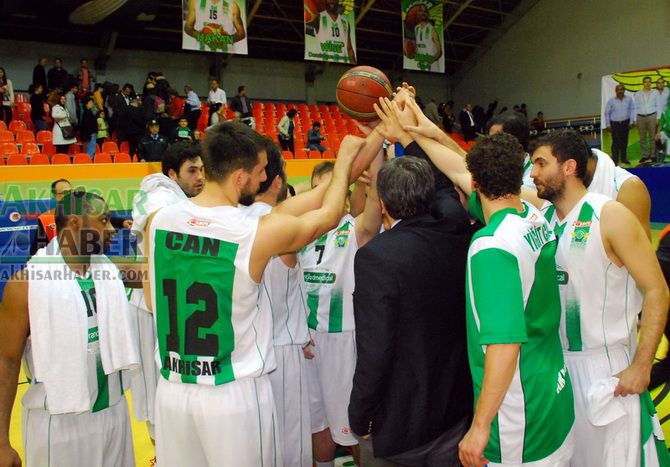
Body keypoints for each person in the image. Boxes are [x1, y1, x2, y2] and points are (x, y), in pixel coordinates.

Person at [144, 123, 363, 467]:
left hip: (173, 390)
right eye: (261, 170)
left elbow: (152, 301)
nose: (265, 178)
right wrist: (346, 157)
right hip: (231, 394)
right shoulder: (251, 232)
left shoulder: (158, 221)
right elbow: (330, 215)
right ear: (241, 177)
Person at [531, 129, 670, 466]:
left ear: (568, 167)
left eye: (540, 163)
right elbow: (476, 177)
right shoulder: (542, 219)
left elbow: (657, 290)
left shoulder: (610, 214)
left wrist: (641, 366)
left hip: (606, 368)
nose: (532, 172)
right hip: (559, 370)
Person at [458, 133, 575, 467]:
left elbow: (505, 345)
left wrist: (480, 427)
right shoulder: (533, 216)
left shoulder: (492, 245)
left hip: (518, 420)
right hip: (554, 398)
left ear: (475, 181)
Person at [0, 190, 140, 467]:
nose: (111, 229)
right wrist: (1, 442)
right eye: (103, 221)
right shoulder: (26, 283)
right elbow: (6, 361)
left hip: (113, 412)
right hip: (59, 421)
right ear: (75, 223)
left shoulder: (110, 270)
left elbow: (159, 275)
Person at [350, 156, 473, 466]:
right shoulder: (456, 229)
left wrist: (360, 414)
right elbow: (446, 188)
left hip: (402, 423)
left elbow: (375, 351)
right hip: (454, 408)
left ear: (383, 204)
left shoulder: (376, 257)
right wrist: (410, 127)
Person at [299, 150, 383, 466]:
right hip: (305, 341)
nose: (326, 197)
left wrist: (375, 155)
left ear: (345, 198)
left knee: (352, 428)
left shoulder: (354, 229)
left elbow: (375, 202)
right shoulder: (301, 231)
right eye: (320, 189)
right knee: (316, 422)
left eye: (334, 188)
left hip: (342, 340)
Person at [242, 140, 313, 467]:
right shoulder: (282, 226)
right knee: (291, 449)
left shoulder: (234, 222)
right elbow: (331, 206)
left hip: (246, 355)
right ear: (277, 182)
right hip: (282, 352)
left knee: (260, 448)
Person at [129, 142, 204, 441]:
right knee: (156, 388)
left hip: (172, 304)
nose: (200, 176)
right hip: (151, 307)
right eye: (192, 171)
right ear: (173, 174)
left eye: (201, 169)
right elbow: (156, 217)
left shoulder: (179, 196)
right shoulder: (159, 192)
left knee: (174, 385)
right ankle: (160, 450)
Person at [488, 110, 534, 189]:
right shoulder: (493, 167)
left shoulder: (532, 180)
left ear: (517, 142)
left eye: (496, 140)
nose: (489, 145)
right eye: (489, 139)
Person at [604, 84, 636, 165]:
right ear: (616, 91)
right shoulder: (611, 101)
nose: (620, 91)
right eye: (618, 90)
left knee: (624, 142)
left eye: (621, 89)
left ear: (624, 90)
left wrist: (631, 121)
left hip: (626, 123)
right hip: (615, 124)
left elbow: (632, 110)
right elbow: (607, 113)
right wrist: (608, 124)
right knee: (615, 142)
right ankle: (615, 160)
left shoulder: (629, 99)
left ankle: (624, 159)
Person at [635, 76, 660, 163]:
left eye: (649, 82)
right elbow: (635, 107)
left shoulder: (655, 92)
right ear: (643, 83)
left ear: (651, 83)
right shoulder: (638, 94)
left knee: (653, 137)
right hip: (640, 117)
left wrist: (658, 117)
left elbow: (658, 105)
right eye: (646, 82)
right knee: (642, 138)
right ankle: (645, 155)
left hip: (652, 116)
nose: (647, 83)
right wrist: (635, 119)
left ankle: (653, 155)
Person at [411, 4, 443, 72]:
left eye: (425, 11)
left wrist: (432, 59)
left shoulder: (431, 29)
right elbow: (417, 47)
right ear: (418, 13)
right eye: (421, 11)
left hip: (432, 65)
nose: (423, 13)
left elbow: (439, 51)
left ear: (427, 14)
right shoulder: (416, 28)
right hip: (421, 63)